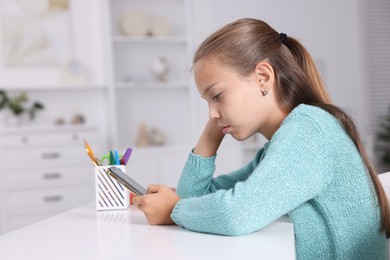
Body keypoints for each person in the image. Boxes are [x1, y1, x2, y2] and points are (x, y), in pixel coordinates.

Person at [132, 18, 390, 259]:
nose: (211, 113)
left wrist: (173, 211)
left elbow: (238, 213)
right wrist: (212, 134)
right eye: (207, 102)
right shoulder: (280, 145)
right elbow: (192, 198)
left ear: (263, 77)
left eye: (217, 95)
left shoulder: (310, 131)